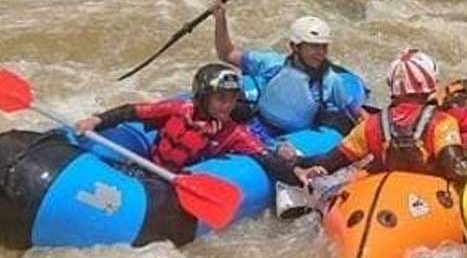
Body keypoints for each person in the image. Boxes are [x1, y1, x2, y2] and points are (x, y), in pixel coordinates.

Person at [74, 63, 305, 184]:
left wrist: (296, 173)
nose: (227, 106)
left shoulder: (233, 133)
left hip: (170, 187)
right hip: (144, 171)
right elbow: (134, 111)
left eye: (232, 100)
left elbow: (264, 156)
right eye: (221, 99)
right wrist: (97, 120)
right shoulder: (179, 109)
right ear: (203, 97)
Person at [294, 49, 467, 186]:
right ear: (430, 82)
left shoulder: (370, 125)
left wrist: (297, 163)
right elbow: (457, 169)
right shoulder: (442, 123)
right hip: (431, 196)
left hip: (387, 192)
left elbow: (331, 161)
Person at [212, 3, 365, 156]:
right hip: (258, 124)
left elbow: (357, 114)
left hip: (295, 138)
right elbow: (227, 54)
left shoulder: (330, 81)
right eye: (313, 47)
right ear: (295, 47)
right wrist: (220, 20)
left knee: (284, 156)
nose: (320, 53)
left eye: (323, 47)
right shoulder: (272, 64)